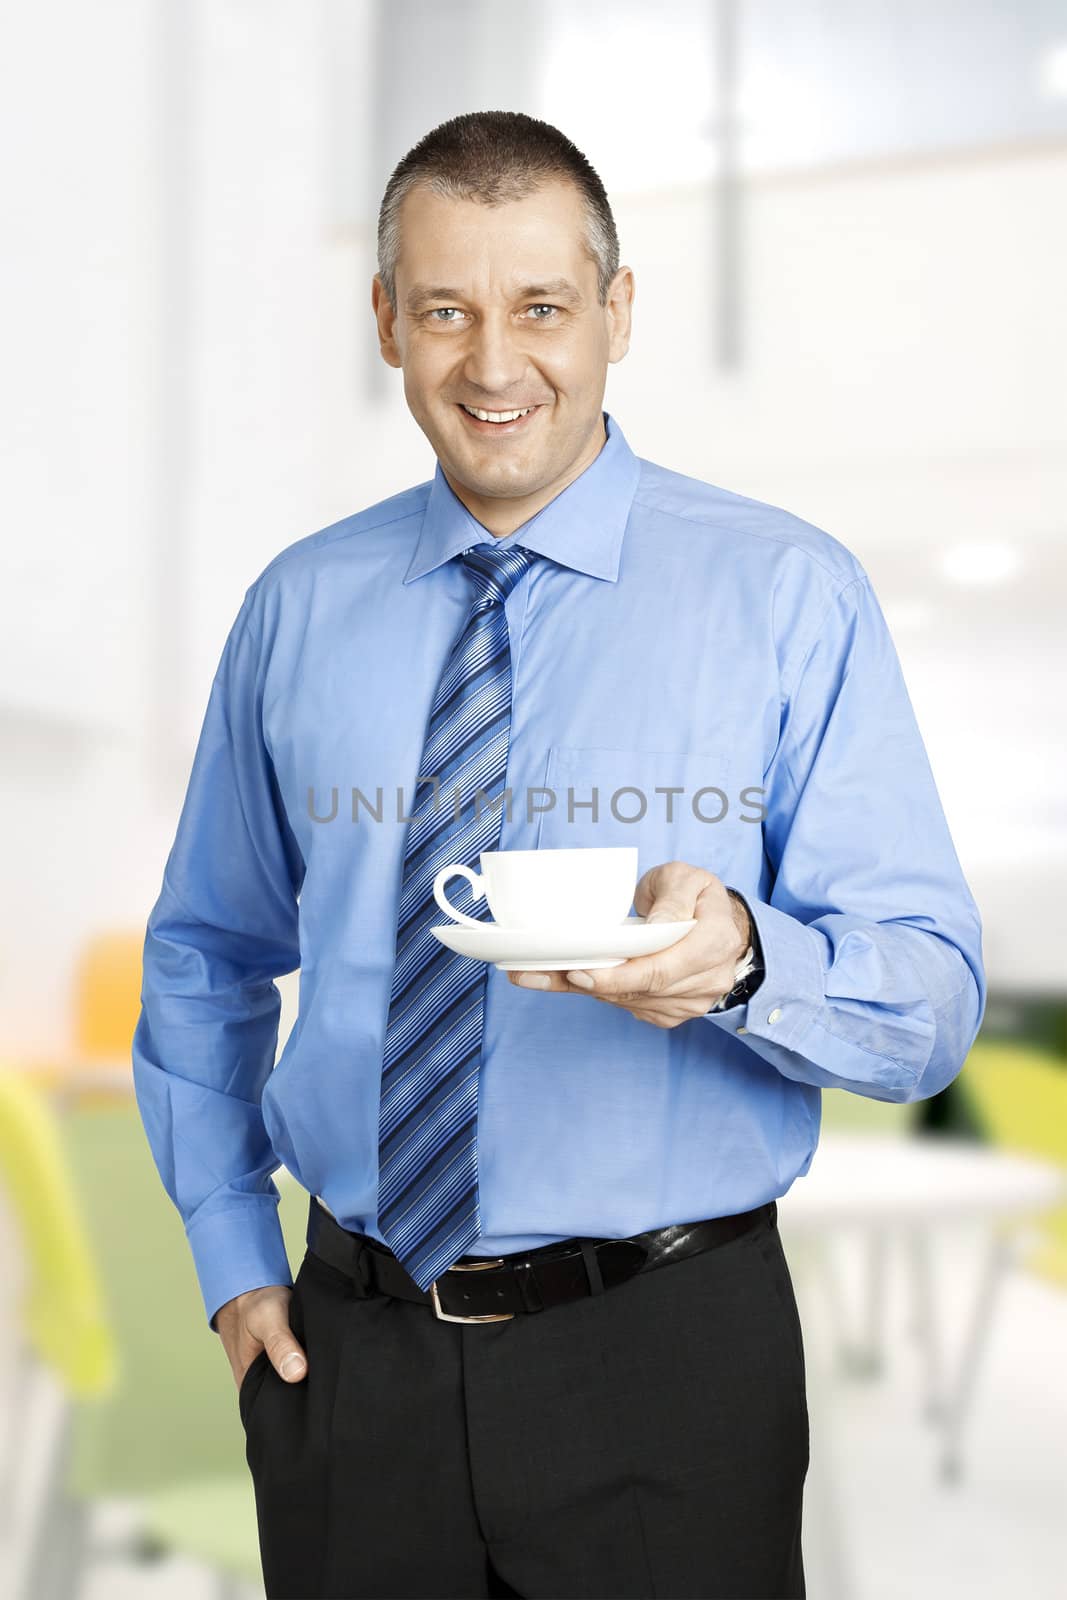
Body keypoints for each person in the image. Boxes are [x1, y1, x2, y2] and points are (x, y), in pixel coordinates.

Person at [131, 110, 986, 1600]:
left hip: (666, 1360)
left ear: (618, 313)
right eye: (446, 308)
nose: (492, 361)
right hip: (353, 1359)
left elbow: (930, 1008)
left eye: (540, 306)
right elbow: (207, 948)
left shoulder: (787, 594)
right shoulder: (297, 609)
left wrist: (746, 970)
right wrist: (230, 1252)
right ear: (387, 319)